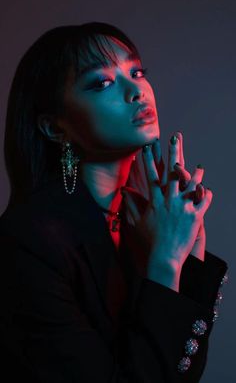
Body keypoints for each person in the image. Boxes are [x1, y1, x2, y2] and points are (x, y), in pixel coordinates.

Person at [0, 22, 228, 382]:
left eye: (136, 72)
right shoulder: (27, 242)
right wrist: (167, 259)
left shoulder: (143, 222)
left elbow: (176, 374)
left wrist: (190, 252)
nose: (136, 90)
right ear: (55, 127)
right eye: (101, 83)